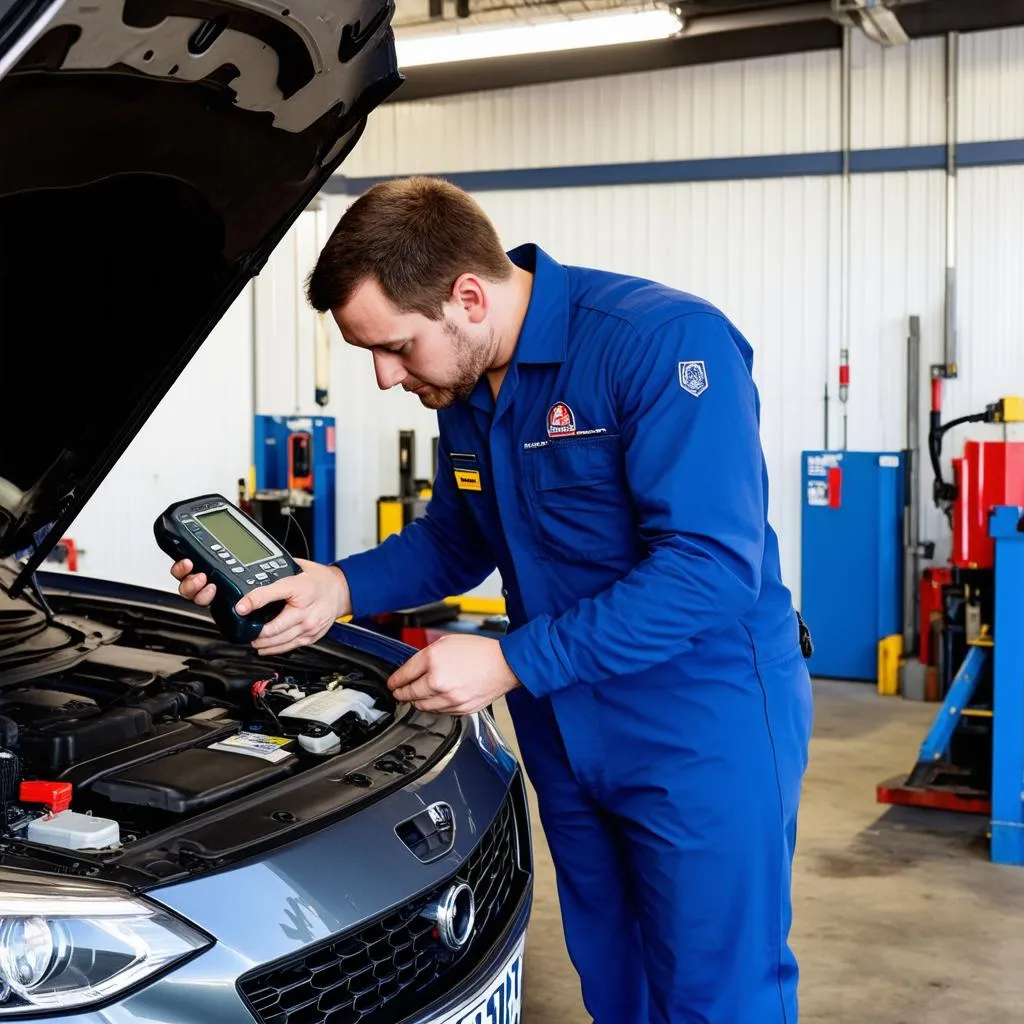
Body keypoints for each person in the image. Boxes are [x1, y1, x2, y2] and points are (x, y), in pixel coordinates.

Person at [170, 177, 814, 1023]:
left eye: (396, 348)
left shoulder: (661, 344)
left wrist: (512, 658)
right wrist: (337, 585)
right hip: (565, 723)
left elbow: (709, 568)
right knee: (615, 978)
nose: (384, 377)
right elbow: (458, 538)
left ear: (468, 296)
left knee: (717, 992)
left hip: (697, 722)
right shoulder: (468, 387)